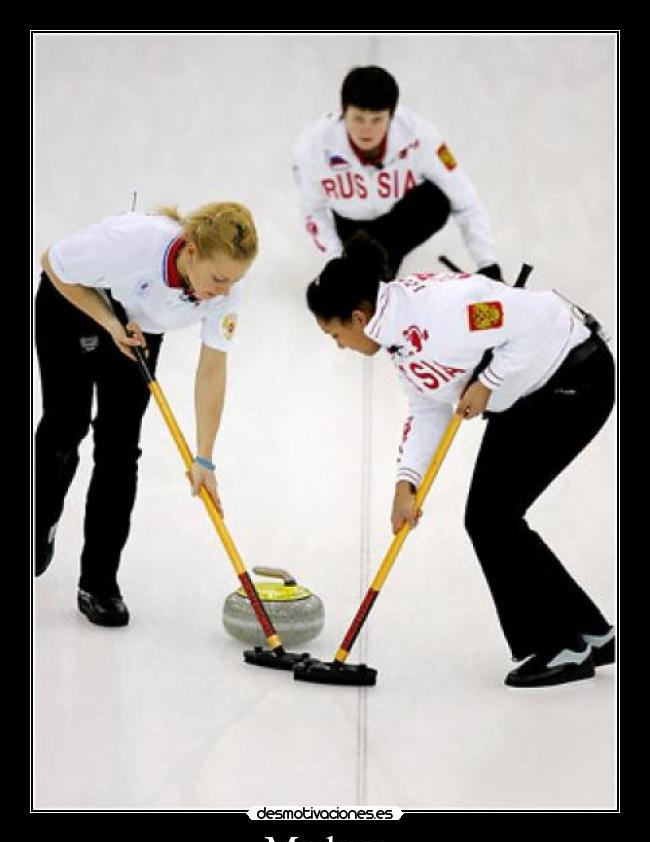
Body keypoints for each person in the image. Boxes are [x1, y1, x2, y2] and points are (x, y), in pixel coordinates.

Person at [306, 234, 615, 688]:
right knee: (492, 517)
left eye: (336, 334)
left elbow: (542, 313)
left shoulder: (446, 312)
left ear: (358, 317)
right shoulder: (397, 338)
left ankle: (563, 646)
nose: (338, 345)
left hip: (575, 378)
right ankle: (588, 632)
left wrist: (488, 380)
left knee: (492, 517)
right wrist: (405, 483)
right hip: (529, 394)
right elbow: (427, 405)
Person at [35, 201, 258, 627]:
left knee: (120, 450)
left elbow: (212, 370)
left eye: (235, 280)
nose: (225, 291)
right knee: (67, 423)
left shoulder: (226, 289)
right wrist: (110, 324)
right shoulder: (133, 240)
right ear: (190, 250)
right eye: (218, 279)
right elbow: (53, 262)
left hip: (139, 333)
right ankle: (39, 518)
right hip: (71, 307)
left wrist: (204, 458)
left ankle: (98, 582)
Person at [293, 65, 501, 281]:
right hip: (350, 225)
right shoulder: (312, 146)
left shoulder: (420, 136)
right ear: (343, 112)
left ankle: (381, 265)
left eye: (377, 120)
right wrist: (336, 259)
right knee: (360, 289)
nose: (367, 130)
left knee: (436, 201)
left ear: (392, 115)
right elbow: (312, 210)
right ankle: (372, 269)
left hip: (397, 220)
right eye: (358, 119)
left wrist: (487, 263)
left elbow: (465, 201)